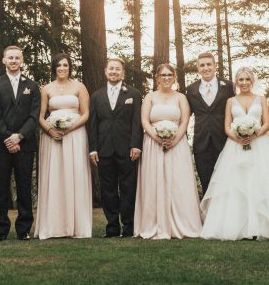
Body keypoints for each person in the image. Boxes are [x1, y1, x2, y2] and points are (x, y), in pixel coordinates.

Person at [201, 67, 269, 240]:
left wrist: (254, 134)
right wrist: (238, 137)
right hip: (235, 146)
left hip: (260, 145)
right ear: (237, 82)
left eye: (247, 79)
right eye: (241, 80)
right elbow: (227, 126)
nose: (244, 83)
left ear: (252, 81)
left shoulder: (261, 99)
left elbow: (267, 122)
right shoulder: (231, 101)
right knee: (236, 184)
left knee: (262, 182)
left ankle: (265, 227)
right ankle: (238, 228)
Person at [135, 63, 203, 239]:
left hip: (177, 144)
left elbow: (184, 121)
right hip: (153, 144)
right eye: (162, 75)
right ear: (157, 77)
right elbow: (145, 121)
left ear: (174, 78)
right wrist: (157, 138)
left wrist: (174, 140)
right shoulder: (149, 97)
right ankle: (154, 223)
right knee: (154, 181)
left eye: (169, 75)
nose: (166, 78)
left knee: (178, 183)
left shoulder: (180, 97)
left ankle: (182, 223)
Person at [0, 45, 41, 241]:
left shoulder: (32, 86)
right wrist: (8, 137)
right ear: (3, 60)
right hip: (1, 144)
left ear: (22, 60)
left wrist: (19, 136)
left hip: (25, 144)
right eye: (10, 57)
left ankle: (23, 229)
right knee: (1, 188)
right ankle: (1, 230)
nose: (13, 61)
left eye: (17, 58)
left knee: (24, 187)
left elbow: (34, 116)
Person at [36, 53, 93, 240]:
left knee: (74, 173)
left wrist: (69, 128)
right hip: (52, 137)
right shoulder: (46, 88)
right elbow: (40, 116)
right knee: (55, 175)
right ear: (54, 68)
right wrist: (50, 130)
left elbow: (85, 114)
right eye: (59, 65)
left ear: (70, 67)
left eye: (65, 65)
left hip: (75, 135)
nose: (62, 68)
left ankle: (76, 225)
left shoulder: (79, 87)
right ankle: (53, 225)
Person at [88, 57, 143, 238]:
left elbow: (137, 122)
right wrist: (93, 149)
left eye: (117, 69)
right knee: (108, 189)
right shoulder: (96, 96)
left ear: (123, 72)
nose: (114, 72)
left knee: (128, 188)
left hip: (127, 149)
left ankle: (128, 227)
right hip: (104, 150)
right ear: (105, 71)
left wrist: (136, 145)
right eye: (111, 69)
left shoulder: (133, 94)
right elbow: (93, 124)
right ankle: (112, 227)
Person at [184, 52, 233, 195]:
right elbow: (186, 115)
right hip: (201, 142)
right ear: (198, 68)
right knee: (206, 181)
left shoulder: (228, 86)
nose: (206, 68)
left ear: (215, 66)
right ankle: (208, 215)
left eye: (208, 64)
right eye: (202, 65)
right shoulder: (191, 89)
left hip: (224, 140)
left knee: (226, 181)